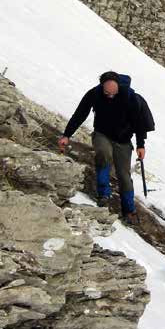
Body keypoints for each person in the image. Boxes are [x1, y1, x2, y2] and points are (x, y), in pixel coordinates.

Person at [58, 71, 150, 224]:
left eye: (113, 92)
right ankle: (103, 195)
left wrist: (141, 145)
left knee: (124, 176)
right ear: (102, 86)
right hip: (102, 134)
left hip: (123, 140)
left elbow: (139, 123)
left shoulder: (130, 98)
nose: (110, 96)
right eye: (107, 92)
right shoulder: (95, 94)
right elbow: (80, 114)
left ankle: (129, 210)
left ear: (118, 86)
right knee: (103, 154)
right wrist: (67, 135)